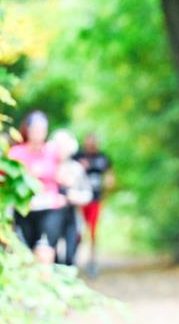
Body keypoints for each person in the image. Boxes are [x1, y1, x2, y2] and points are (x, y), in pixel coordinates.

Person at [8, 111, 67, 265]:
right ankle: (33, 285)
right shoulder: (16, 153)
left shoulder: (53, 151)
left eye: (42, 129)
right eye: (35, 129)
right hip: (25, 208)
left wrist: (63, 193)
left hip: (50, 207)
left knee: (45, 249)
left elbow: (63, 176)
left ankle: (47, 283)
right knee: (28, 251)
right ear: (27, 130)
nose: (38, 133)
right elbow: (9, 181)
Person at [51, 129, 93, 267]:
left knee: (70, 255)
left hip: (72, 216)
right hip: (51, 216)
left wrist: (74, 196)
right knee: (53, 255)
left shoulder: (77, 169)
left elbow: (88, 194)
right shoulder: (48, 168)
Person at [73, 133, 114, 275]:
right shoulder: (78, 157)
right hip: (80, 200)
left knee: (92, 231)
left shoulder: (103, 158)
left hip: (95, 200)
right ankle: (73, 258)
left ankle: (92, 261)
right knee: (78, 230)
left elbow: (110, 178)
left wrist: (106, 191)